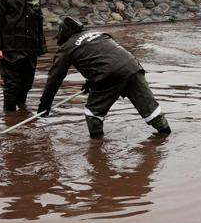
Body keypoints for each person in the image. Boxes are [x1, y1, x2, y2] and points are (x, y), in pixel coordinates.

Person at [37, 17, 171, 139]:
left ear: (63, 34)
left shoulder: (67, 48)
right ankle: (165, 137)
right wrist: (90, 82)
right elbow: (104, 56)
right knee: (151, 111)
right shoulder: (97, 33)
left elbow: (54, 79)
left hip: (109, 75)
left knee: (93, 113)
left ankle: (97, 147)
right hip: (133, 67)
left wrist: (45, 105)